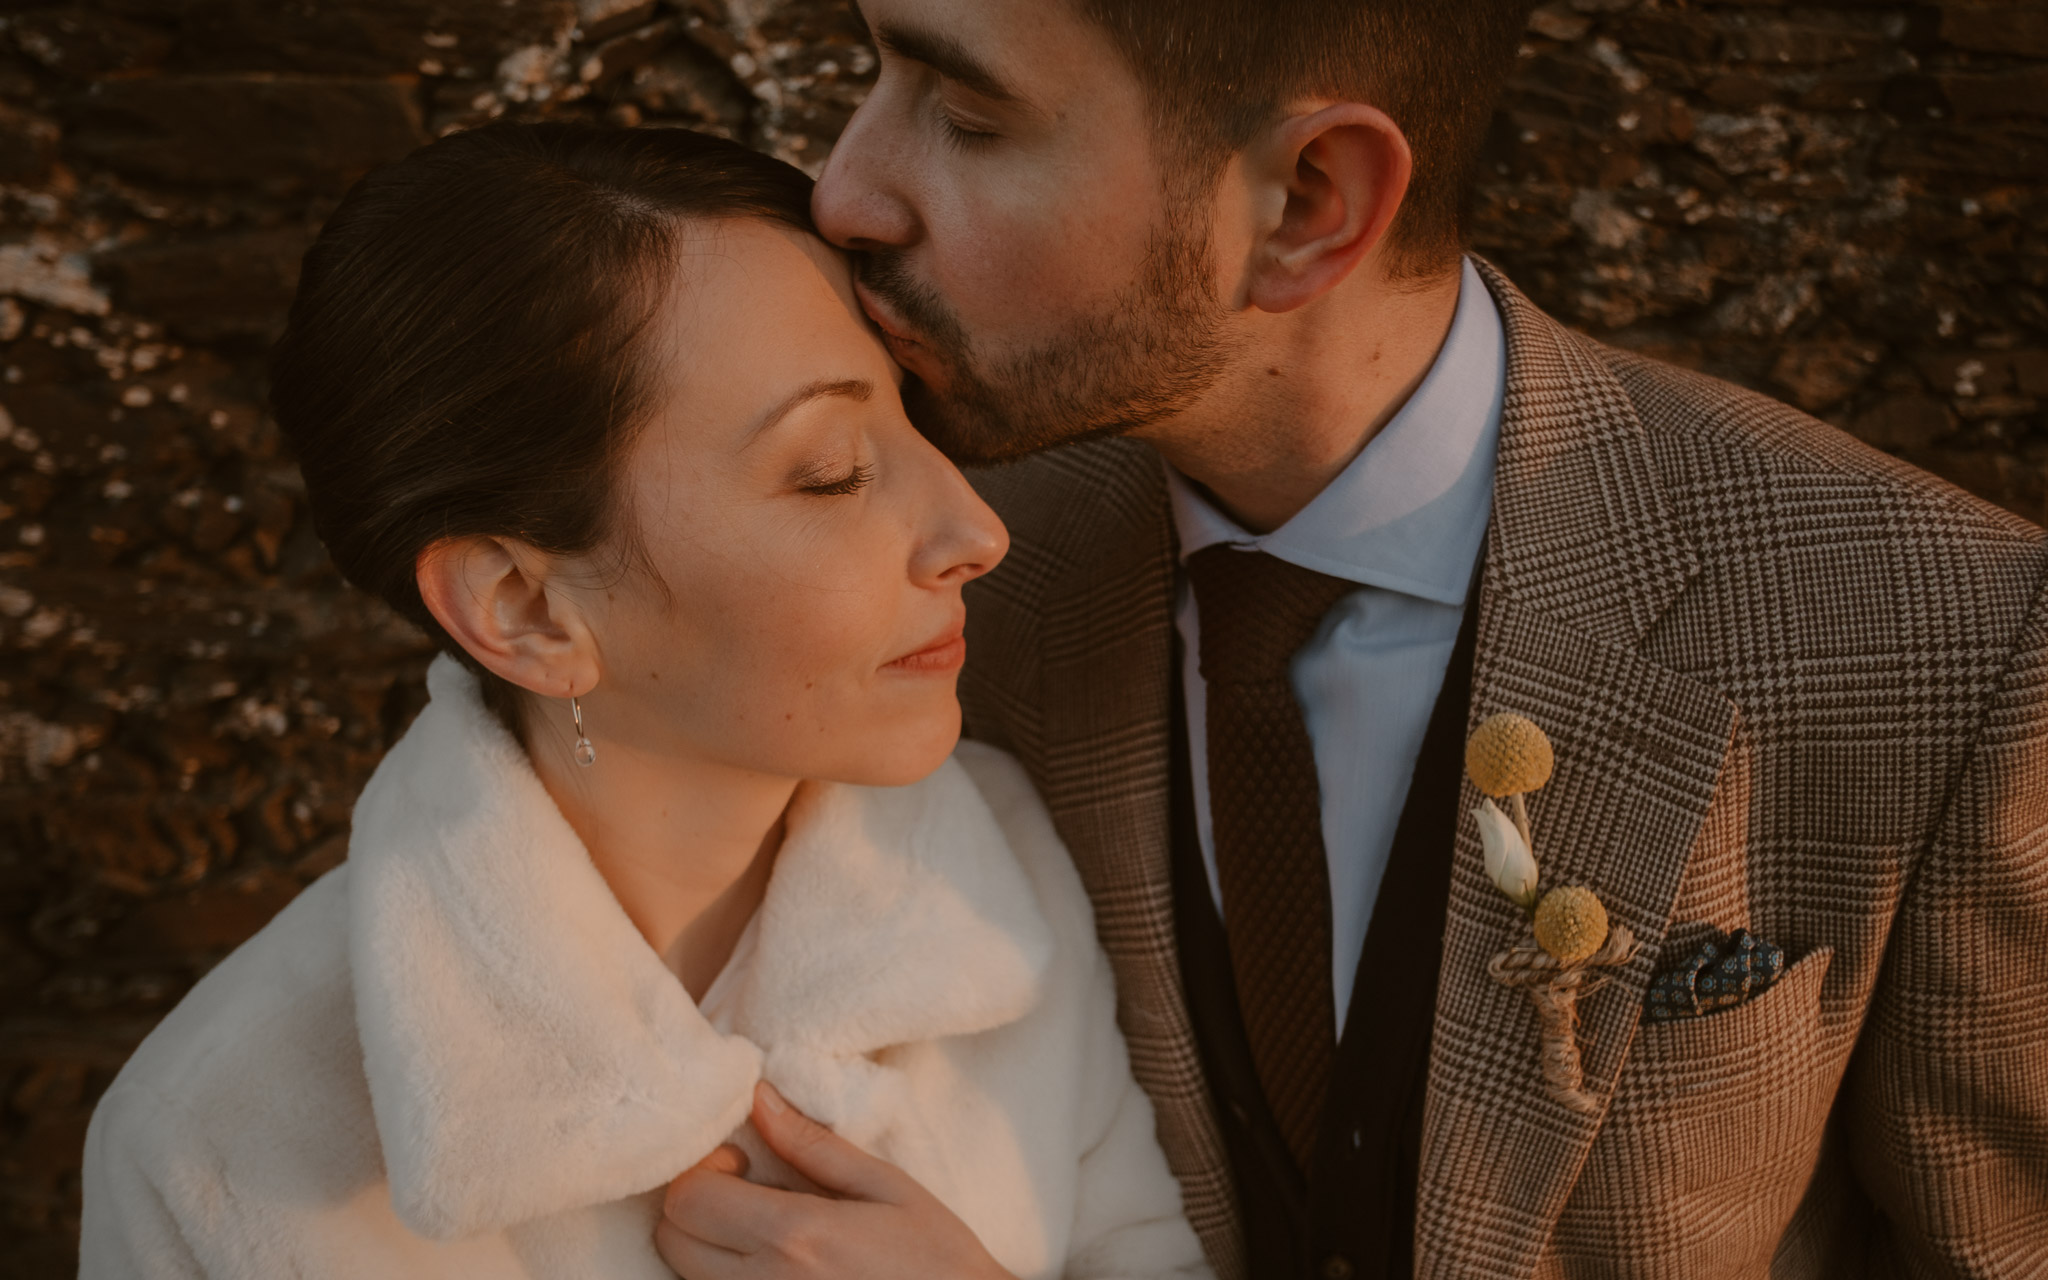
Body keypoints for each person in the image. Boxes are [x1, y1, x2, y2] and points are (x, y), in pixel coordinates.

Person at [653, 0, 2048, 1276]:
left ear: (1310, 204)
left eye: (969, 119)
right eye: (865, 71)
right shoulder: (930, 580)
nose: (842, 190)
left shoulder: (1943, 639)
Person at [76, 121, 1212, 1280]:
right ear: (523, 608)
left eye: (920, 422)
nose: (977, 531)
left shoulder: (1003, 881)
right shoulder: (221, 1147)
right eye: (830, 471)